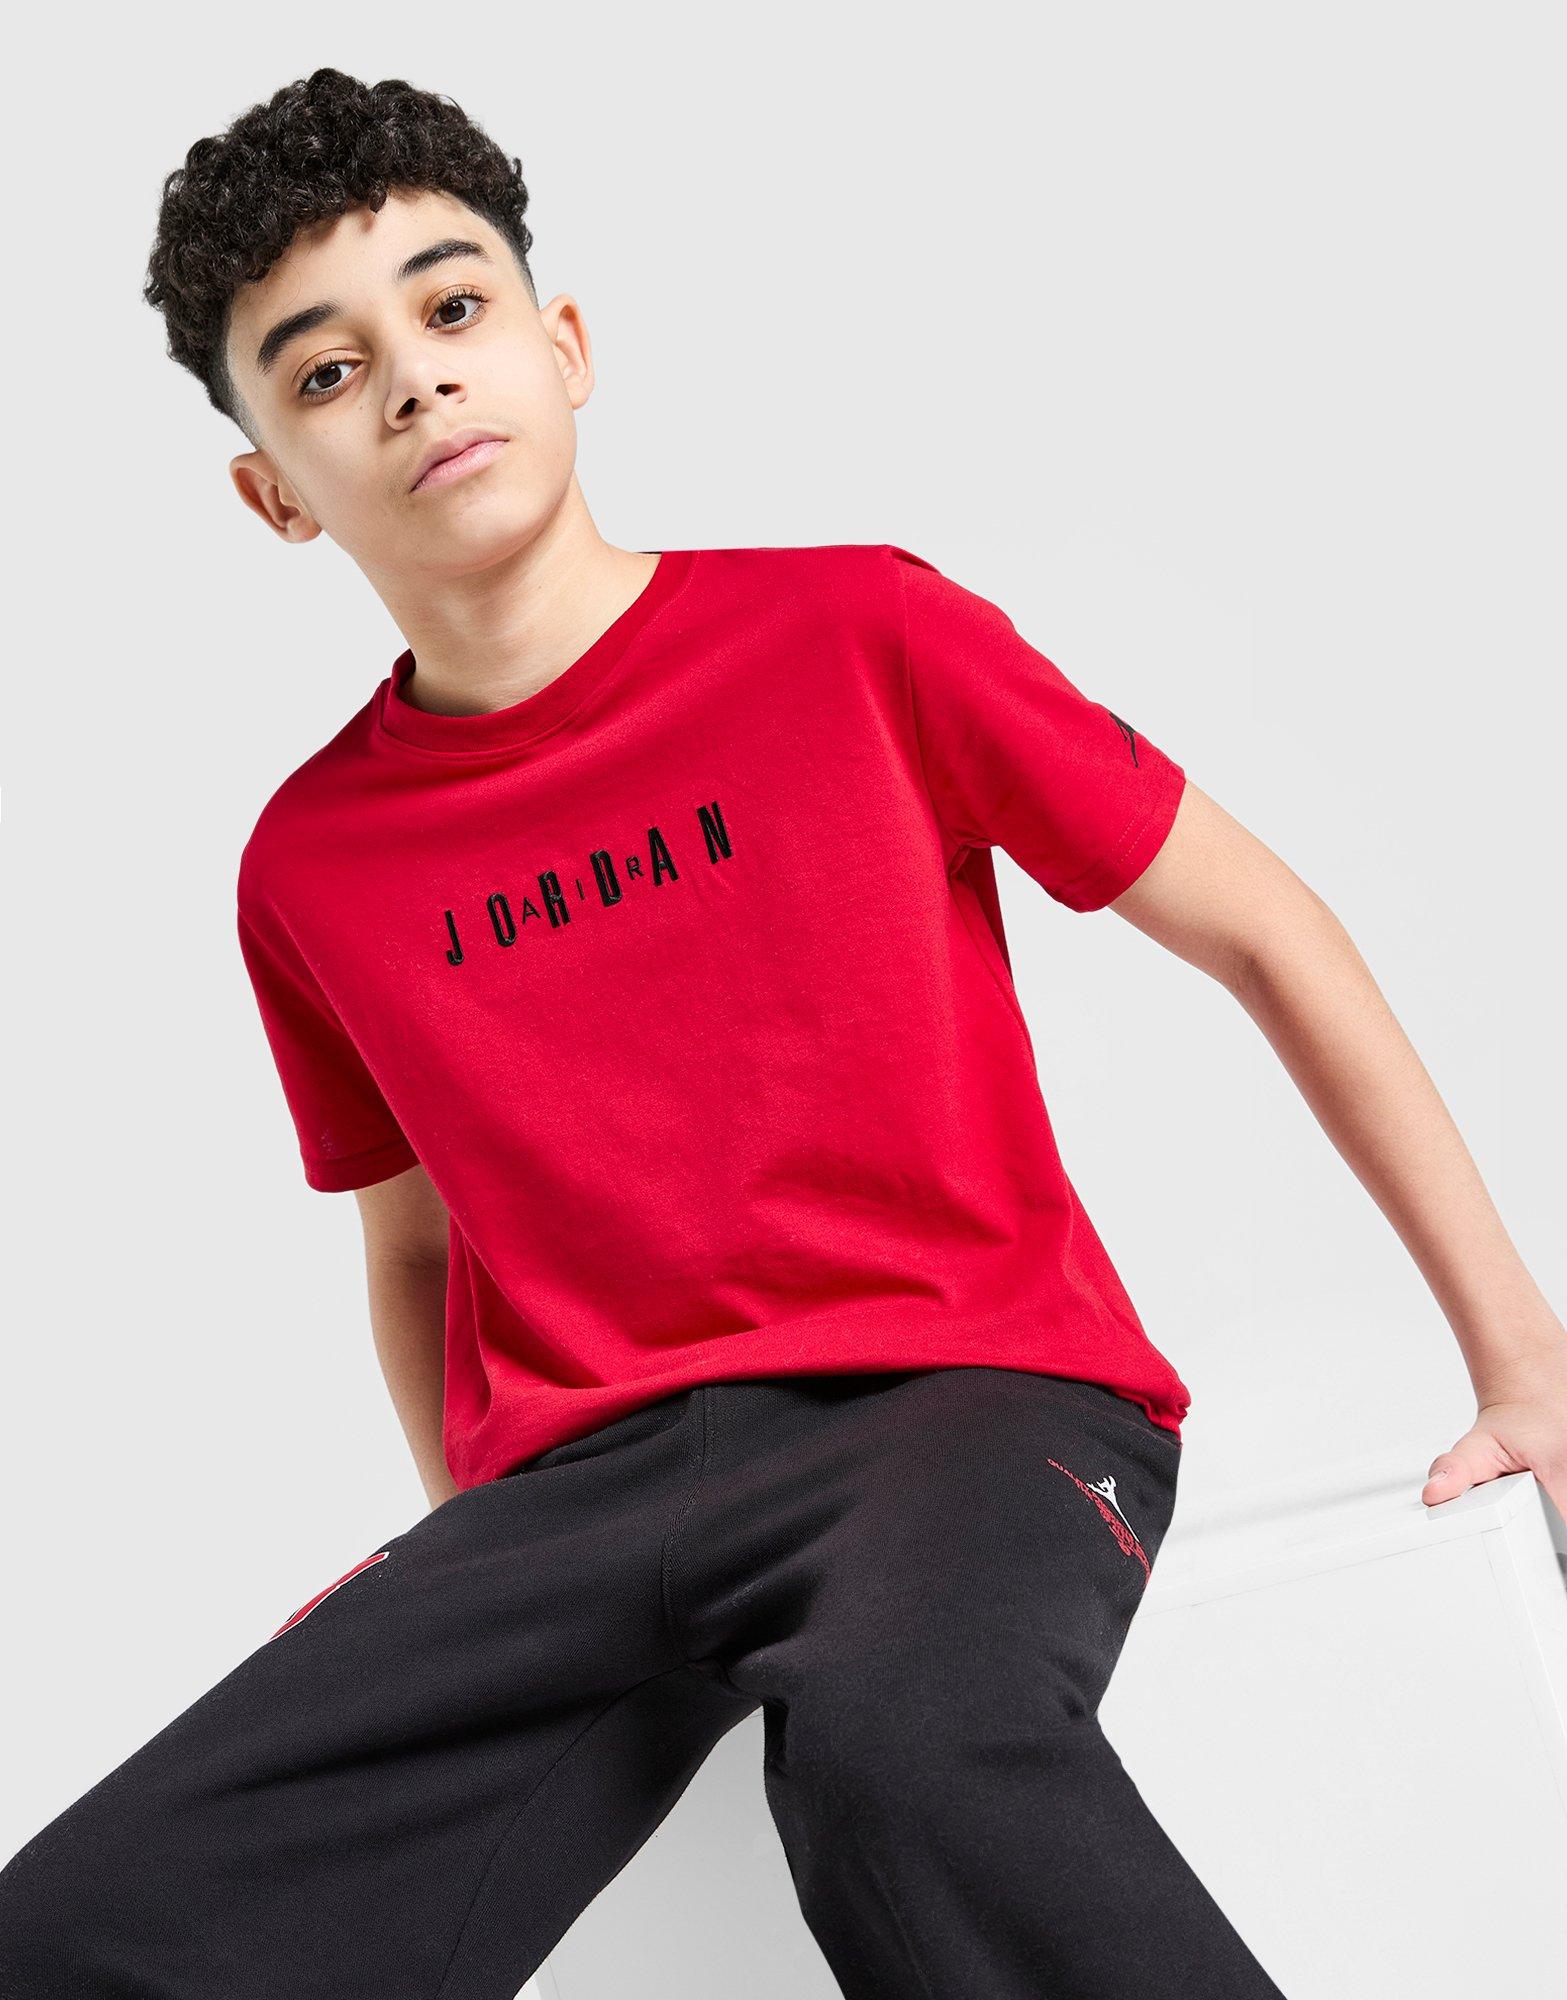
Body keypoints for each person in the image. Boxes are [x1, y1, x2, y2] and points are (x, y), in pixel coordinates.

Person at [2, 64, 1563, 2000]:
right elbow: (411, 1248)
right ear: (272, 493)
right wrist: (473, 1568)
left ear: (565, 347)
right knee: (79, 1922)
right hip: (581, 1495)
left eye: (454, 305)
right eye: (324, 371)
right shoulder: (308, 864)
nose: (411, 380)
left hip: (968, 1402)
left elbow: (1266, 934)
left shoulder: (857, 634)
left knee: (907, 1754)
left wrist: (1527, 1363)